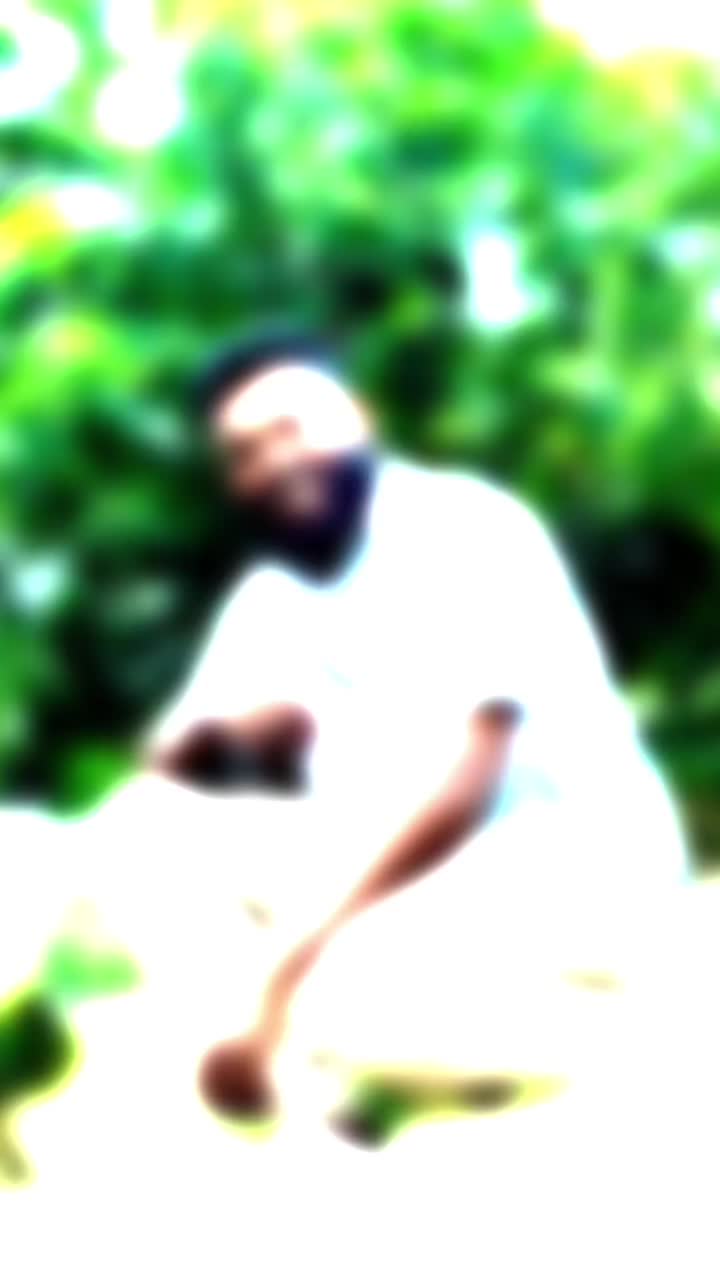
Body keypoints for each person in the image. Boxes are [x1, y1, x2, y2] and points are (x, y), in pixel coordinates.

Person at [143, 329, 690, 1118]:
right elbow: (165, 765)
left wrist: (297, 964)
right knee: (148, 829)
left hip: (572, 864)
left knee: (335, 996)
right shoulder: (273, 594)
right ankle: (296, 1072)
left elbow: (465, 785)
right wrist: (227, 737)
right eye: (245, 453)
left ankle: (633, 1038)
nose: (275, 463)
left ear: (361, 419)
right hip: (421, 892)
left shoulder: (462, 526)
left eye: (292, 430)